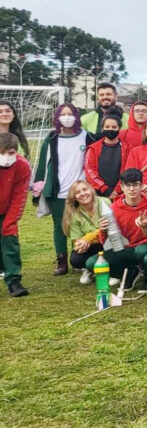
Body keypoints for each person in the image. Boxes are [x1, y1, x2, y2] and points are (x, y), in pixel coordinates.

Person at [33, 103, 93, 277]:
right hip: (58, 190)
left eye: (70, 114)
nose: (67, 117)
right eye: (63, 114)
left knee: (82, 224)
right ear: (57, 117)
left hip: (81, 191)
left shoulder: (86, 136)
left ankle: (79, 258)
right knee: (60, 226)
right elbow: (43, 163)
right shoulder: (52, 138)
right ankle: (61, 260)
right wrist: (38, 186)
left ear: (76, 116)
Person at [98, 168, 147, 292]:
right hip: (127, 248)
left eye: (135, 185)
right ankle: (130, 272)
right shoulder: (113, 209)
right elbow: (107, 243)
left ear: (142, 186)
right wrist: (103, 230)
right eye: (128, 185)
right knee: (94, 263)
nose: (131, 189)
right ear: (121, 187)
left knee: (141, 251)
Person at [0, 133, 31, 297]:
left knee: (10, 238)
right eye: (2, 152)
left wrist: (10, 221)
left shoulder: (22, 166)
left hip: (7, 209)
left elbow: (20, 196)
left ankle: (13, 280)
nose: (6, 157)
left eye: (11, 153)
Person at [63, 180, 110, 283]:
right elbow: (76, 240)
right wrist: (80, 244)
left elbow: (107, 228)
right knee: (75, 259)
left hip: (108, 241)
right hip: (92, 246)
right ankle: (89, 269)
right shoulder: (73, 213)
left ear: (91, 190)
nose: (83, 194)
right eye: (78, 192)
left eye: (85, 189)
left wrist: (87, 238)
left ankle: (111, 270)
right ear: (74, 197)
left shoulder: (104, 202)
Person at [84, 114, 129, 198]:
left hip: (123, 194)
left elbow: (129, 170)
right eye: (107, 127)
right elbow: (90, 171)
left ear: (119, 128)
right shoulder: (93, 149)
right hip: (99, 194)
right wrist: (105, 189)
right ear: (102, 128)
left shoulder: (128, 149)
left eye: (114, 127)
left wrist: (117, 190)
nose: (110, 129)